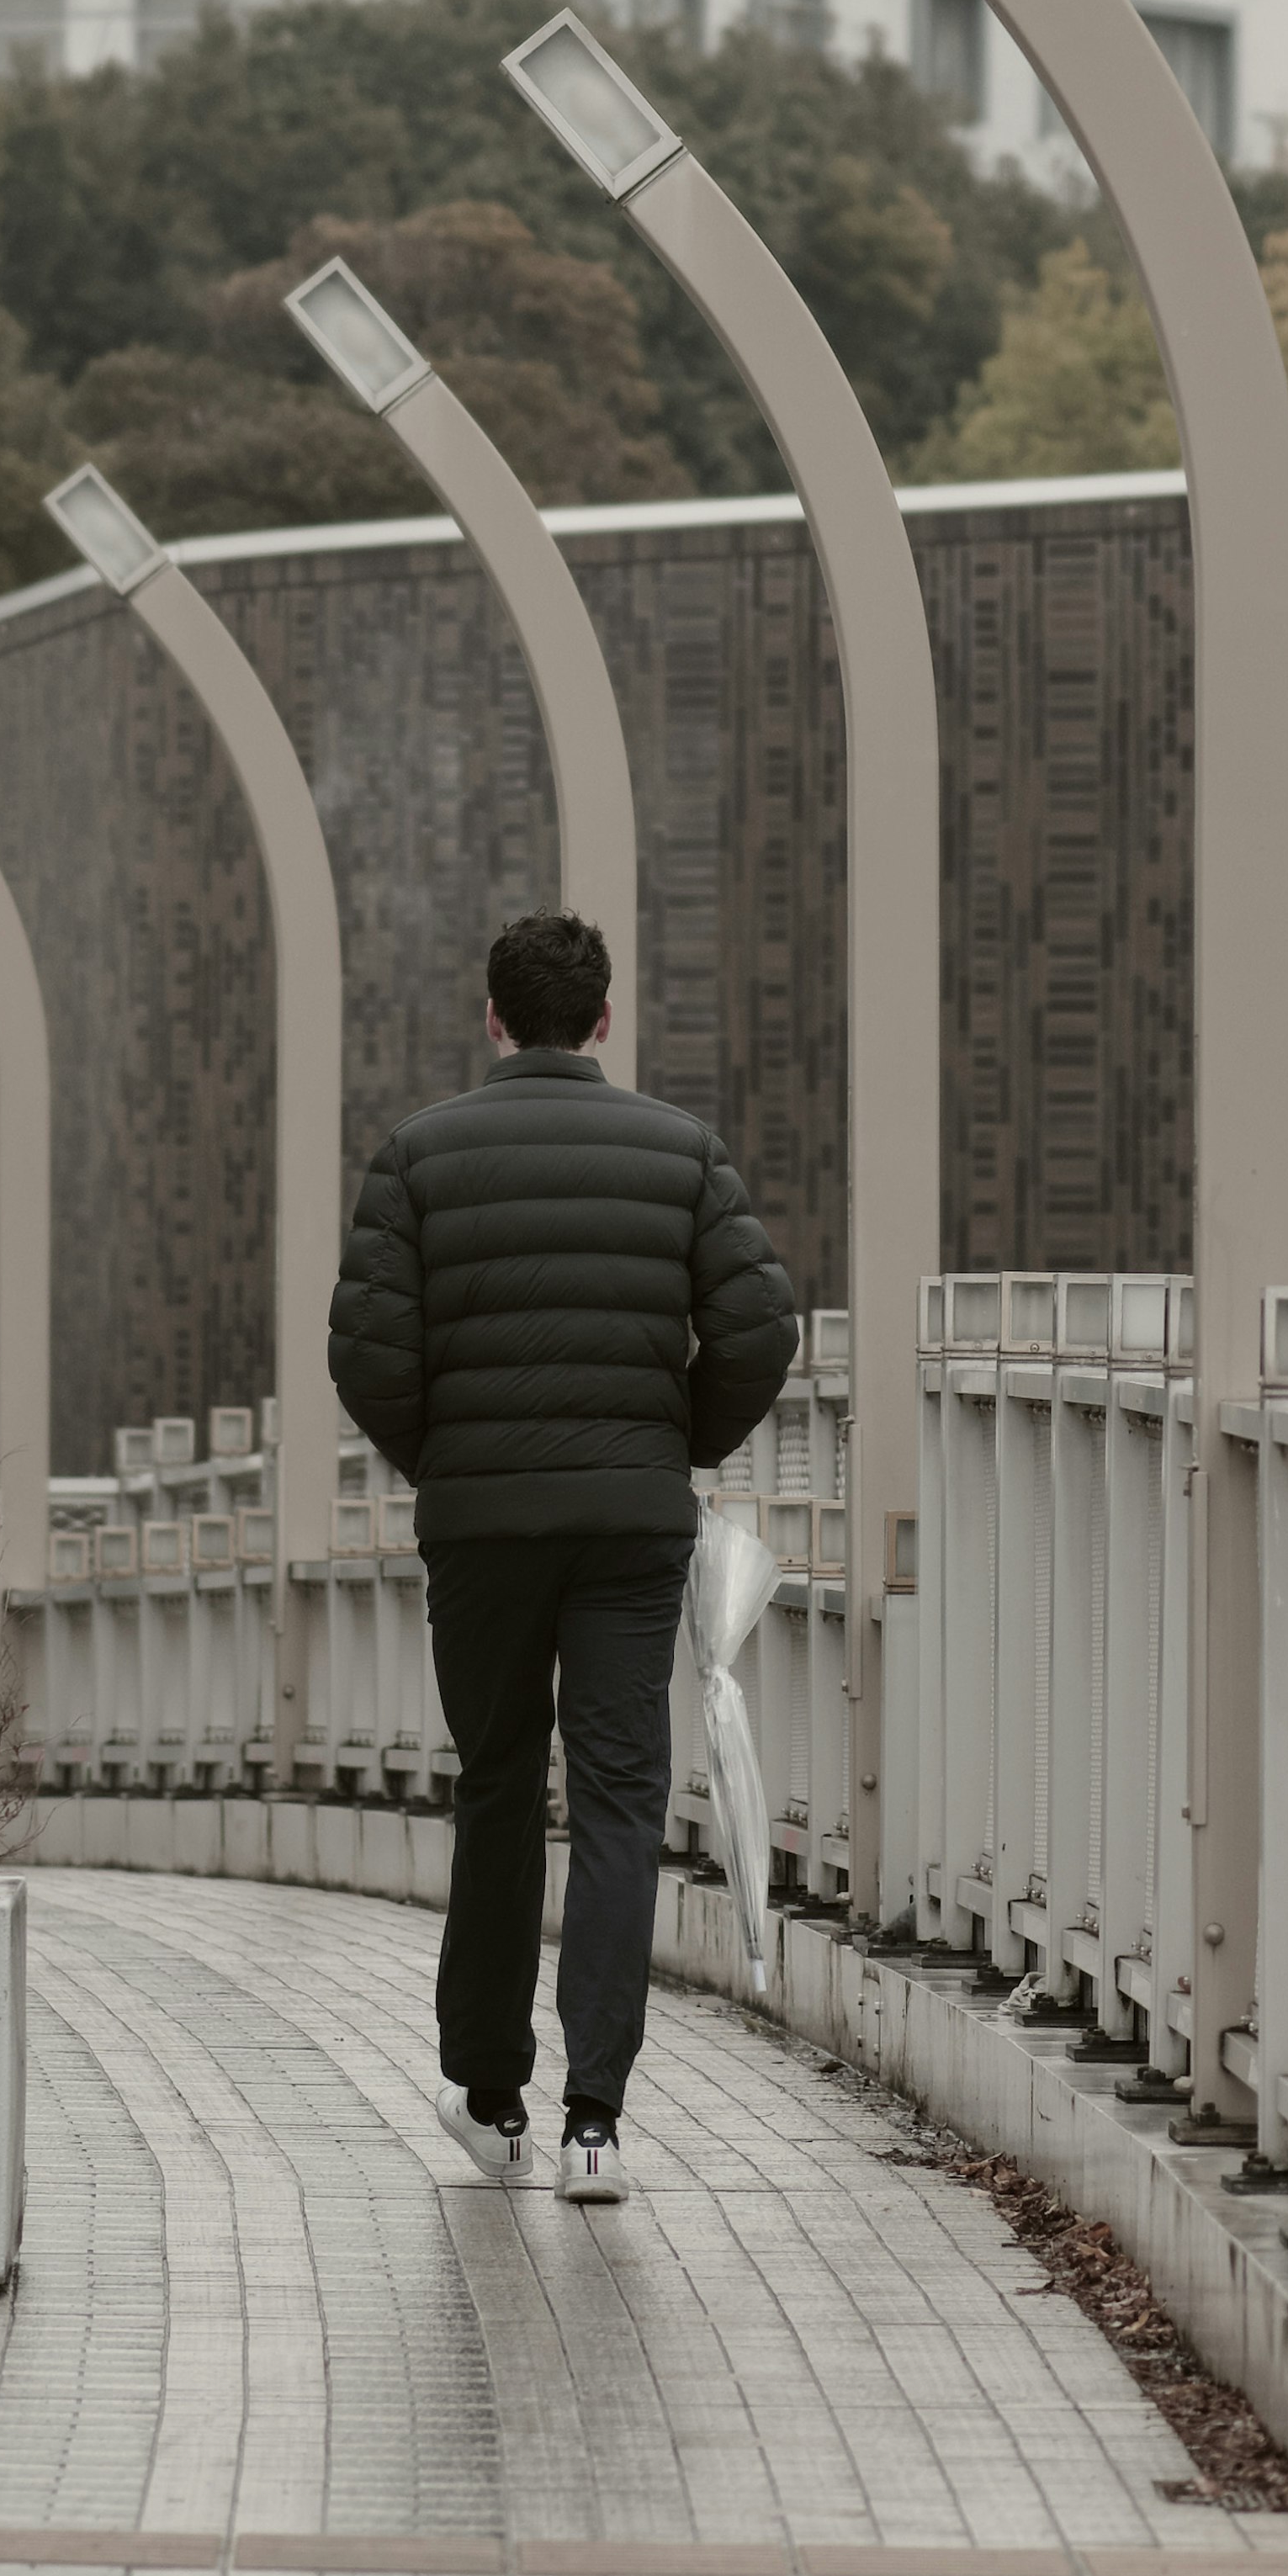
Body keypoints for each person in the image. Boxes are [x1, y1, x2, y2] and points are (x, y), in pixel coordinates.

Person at [326, 909, 799, 2207]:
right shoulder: (680, 1152)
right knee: (616, 1800)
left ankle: (490, 2095)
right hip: (626, 1531)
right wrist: (671, 1444)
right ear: (603, 1021)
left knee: (494, 1785)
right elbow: (762, 1326)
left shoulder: (416, 1158)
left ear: (492, 1019)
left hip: (481, 1529)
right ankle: (598, 2118)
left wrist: (450, 1459)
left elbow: (362, 1350)